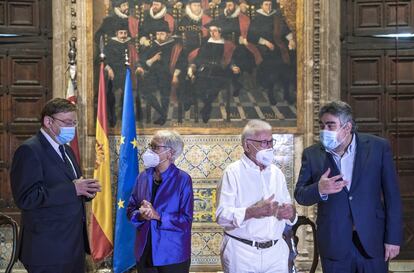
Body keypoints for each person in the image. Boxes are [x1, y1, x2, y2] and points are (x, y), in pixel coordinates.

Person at [294, 101, 403, 273]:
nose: (324, 131)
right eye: (321, 126)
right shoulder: (312, 154)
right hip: (333, 242)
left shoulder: (378, 147)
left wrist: (393, 238)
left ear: (347, 127)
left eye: (330, 126)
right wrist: (319, 189)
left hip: (373, 240)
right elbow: (300, 195)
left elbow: (392, 197)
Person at [10, 98, 101, 273]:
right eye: (67, 122)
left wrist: (86, 190)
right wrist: (73, 189)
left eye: (74, 123)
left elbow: (71, 186)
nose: (71, 127)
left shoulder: (66, 149)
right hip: (47, 250)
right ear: (48, 121)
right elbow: (26, 198)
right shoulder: (29, 150)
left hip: (73, 246)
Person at [216, 119, 297, 273]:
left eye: (271, 142)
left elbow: (289, 208)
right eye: (264, 143)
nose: (269, 147)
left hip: (276, 253)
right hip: (242, 253)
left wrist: (290, 212)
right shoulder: (232, 173)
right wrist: (253, 211)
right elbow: (222, 216)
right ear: (247, 145)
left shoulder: (276, 173)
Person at [127, 130, 193, 273]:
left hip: (172, 255)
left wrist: (158, 216)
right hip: (144, 252)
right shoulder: (143, 177)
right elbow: (130, 209)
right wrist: (140, 215)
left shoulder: (183, 180)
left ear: (170, 153)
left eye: (155, 147)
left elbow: (186, 221)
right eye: (150, 145)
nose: (149, 150)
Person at [136, 21, 185, 125]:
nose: (159, 36)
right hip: (153, 74)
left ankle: (163, 116)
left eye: (162, 34)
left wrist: (175, 75)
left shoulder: (175, 46)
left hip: (168, 75)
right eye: (157, 34)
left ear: (168, 34)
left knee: (164, 94)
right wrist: (152, 59)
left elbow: (182, 63)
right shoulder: (152, 45)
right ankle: (162, 113)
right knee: (144, 91)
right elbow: (143, 61)